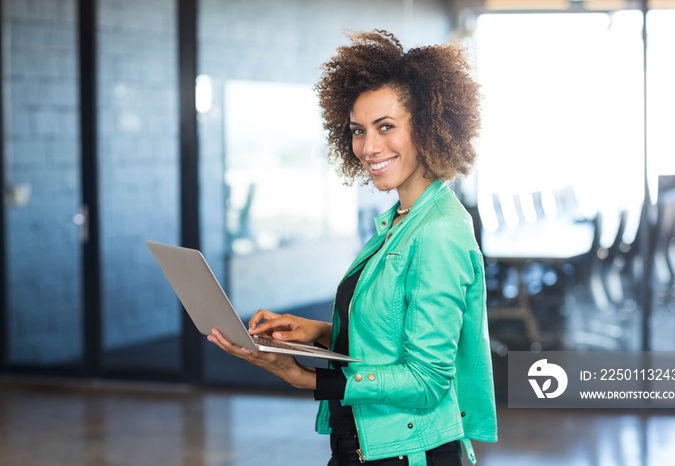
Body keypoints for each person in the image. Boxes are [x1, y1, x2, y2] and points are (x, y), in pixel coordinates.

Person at [208, 29, 498, 466]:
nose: (368, 147)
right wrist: (315, 333)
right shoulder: (398, 222)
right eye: (358, 131)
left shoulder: (439, 231)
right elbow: (395, 331)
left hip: (407, 453)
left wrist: (309, 379)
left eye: (386, 127)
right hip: (363, 445)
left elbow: (427, 380)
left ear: (429, 126)